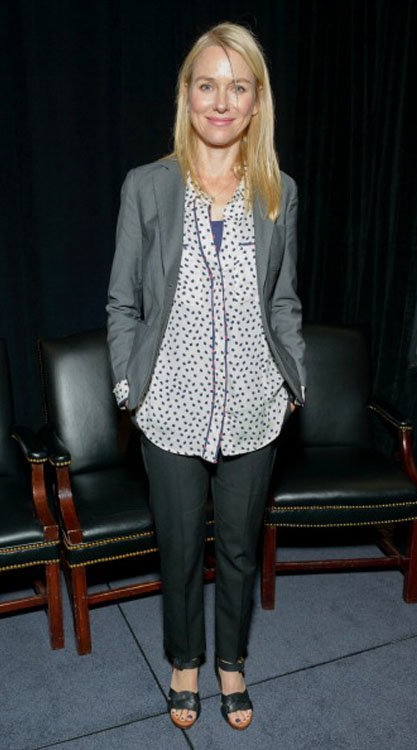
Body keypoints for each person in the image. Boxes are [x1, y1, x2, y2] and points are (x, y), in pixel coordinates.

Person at [107, 22, 305, 731]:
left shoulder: (278, 191)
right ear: (187, 94)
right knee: (181, 547)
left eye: (238, 87)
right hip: (169, 404)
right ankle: (185, 660)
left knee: (241, 549)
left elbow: (284, 300)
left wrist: (293, 383)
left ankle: (232, 663)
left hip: (254, 404)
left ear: (256, 101)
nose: (222, 102)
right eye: (208, 85)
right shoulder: (146, 187)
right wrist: (129, 387)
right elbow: (123, 302)